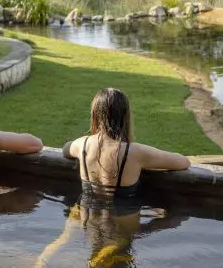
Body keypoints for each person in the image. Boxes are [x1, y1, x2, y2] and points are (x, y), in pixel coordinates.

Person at [35, 88, 191, 267]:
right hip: (124, 219)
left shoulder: (82, 144)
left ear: (94, 115)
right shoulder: (135, 152)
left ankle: (41, 262)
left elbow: (65, 149)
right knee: (175, 218)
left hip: (85, 212)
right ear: (125, 117)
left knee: (62, 241)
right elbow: (183, 162)